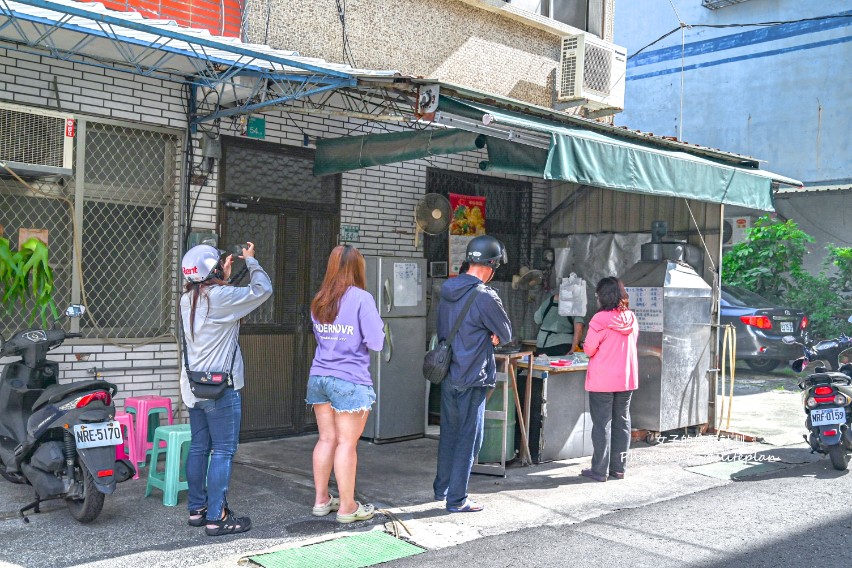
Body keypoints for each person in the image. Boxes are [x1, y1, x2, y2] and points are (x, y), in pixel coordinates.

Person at [180, 242, 272, 536]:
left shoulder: (187, 299)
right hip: (222, 388)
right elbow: (262, 290)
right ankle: (216, 516)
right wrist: (251, 262)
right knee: (222, 451)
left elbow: (217, 297)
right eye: (219, 265)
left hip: (194, 386)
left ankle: (197, 510)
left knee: (199, 448)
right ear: (214, 271)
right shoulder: (220, 297)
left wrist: (224, 276)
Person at [434, 235, 513, 513]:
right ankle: (457, 499)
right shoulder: (484, 295)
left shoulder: (447, 289)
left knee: (450, 435)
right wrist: (491, 335)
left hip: (447, 373)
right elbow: (505, 333)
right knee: (470, 438)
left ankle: (441, 489)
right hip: (473, 376)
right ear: (490, 266)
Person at [306, 244, 385, 523]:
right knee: (346, 444)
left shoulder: (320, 300)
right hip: (350, 379)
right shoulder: (362, 298)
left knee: (326, 439)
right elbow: (375, 342)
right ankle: (347, 507)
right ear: (358, 268)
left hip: (319, 377)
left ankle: (321, 500)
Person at [581, 277, 639, 482]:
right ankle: (618, 469)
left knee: (602, 425)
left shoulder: (599, 320)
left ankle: (599, 470)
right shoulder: (631, 318)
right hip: (626, 379)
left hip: (602, 380)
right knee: (622, 422)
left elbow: (588, 349)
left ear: (602, 296)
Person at [533, 292, 585, 356]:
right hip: (562, 346)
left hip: (542, 346)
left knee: (541, 365)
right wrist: (573, 350)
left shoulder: (550, 300)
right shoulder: (575, 304)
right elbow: (579, 329)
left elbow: (537, 320)